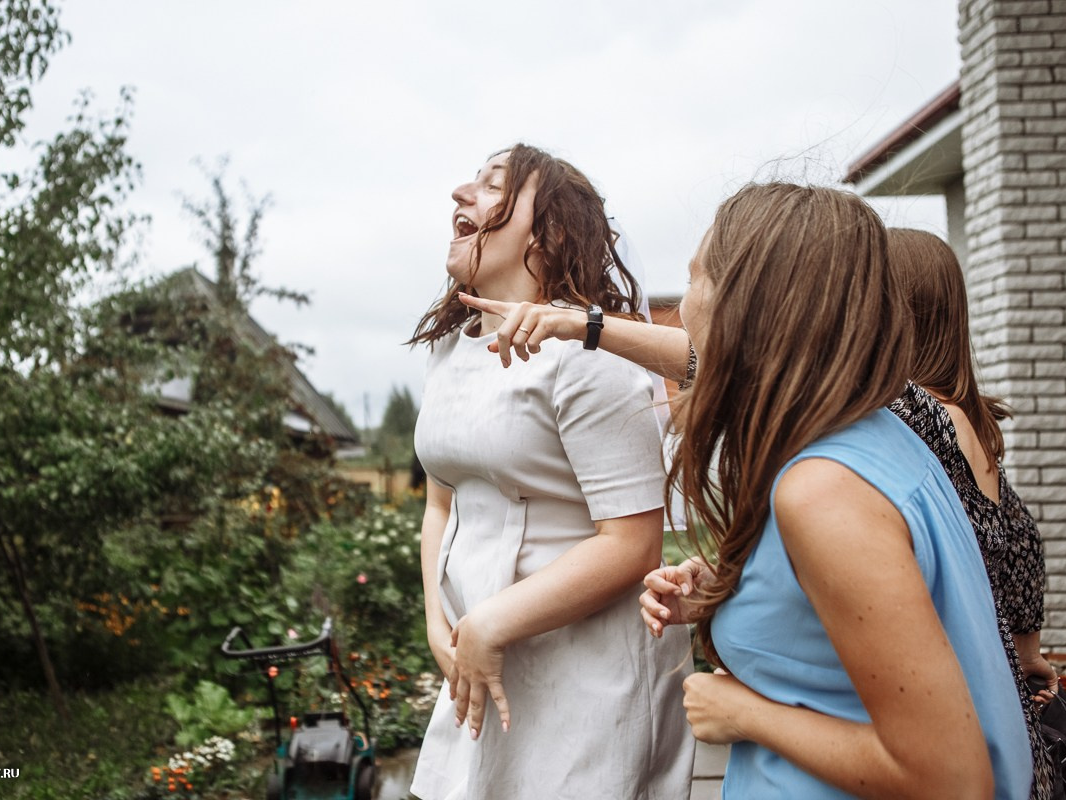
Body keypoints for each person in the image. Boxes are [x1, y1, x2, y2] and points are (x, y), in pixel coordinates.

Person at [468, 183, 1031, 798]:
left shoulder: (823, 491)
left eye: (695, 278)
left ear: (745, 305)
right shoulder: (874, 427)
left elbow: (953, 779)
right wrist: (746, 586)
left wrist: (744, 714)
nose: (682, 309)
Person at [406, 143, 696, 799]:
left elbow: (632, 543)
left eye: (491, 186)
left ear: (548, 233)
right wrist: (437, 620)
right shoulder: (452, 345)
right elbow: (442, 504)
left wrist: (488, 623)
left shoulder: (591, 360)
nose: (461, 193)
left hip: (588, 682)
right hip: (481, 664)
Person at [886, 227, 1054, 799]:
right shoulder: (974, 420)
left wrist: (596, 330)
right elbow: (1021, 550)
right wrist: (1028, 653)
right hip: (1006, 712)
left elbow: (725, 370)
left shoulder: (910, 413)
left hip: (954, 716)